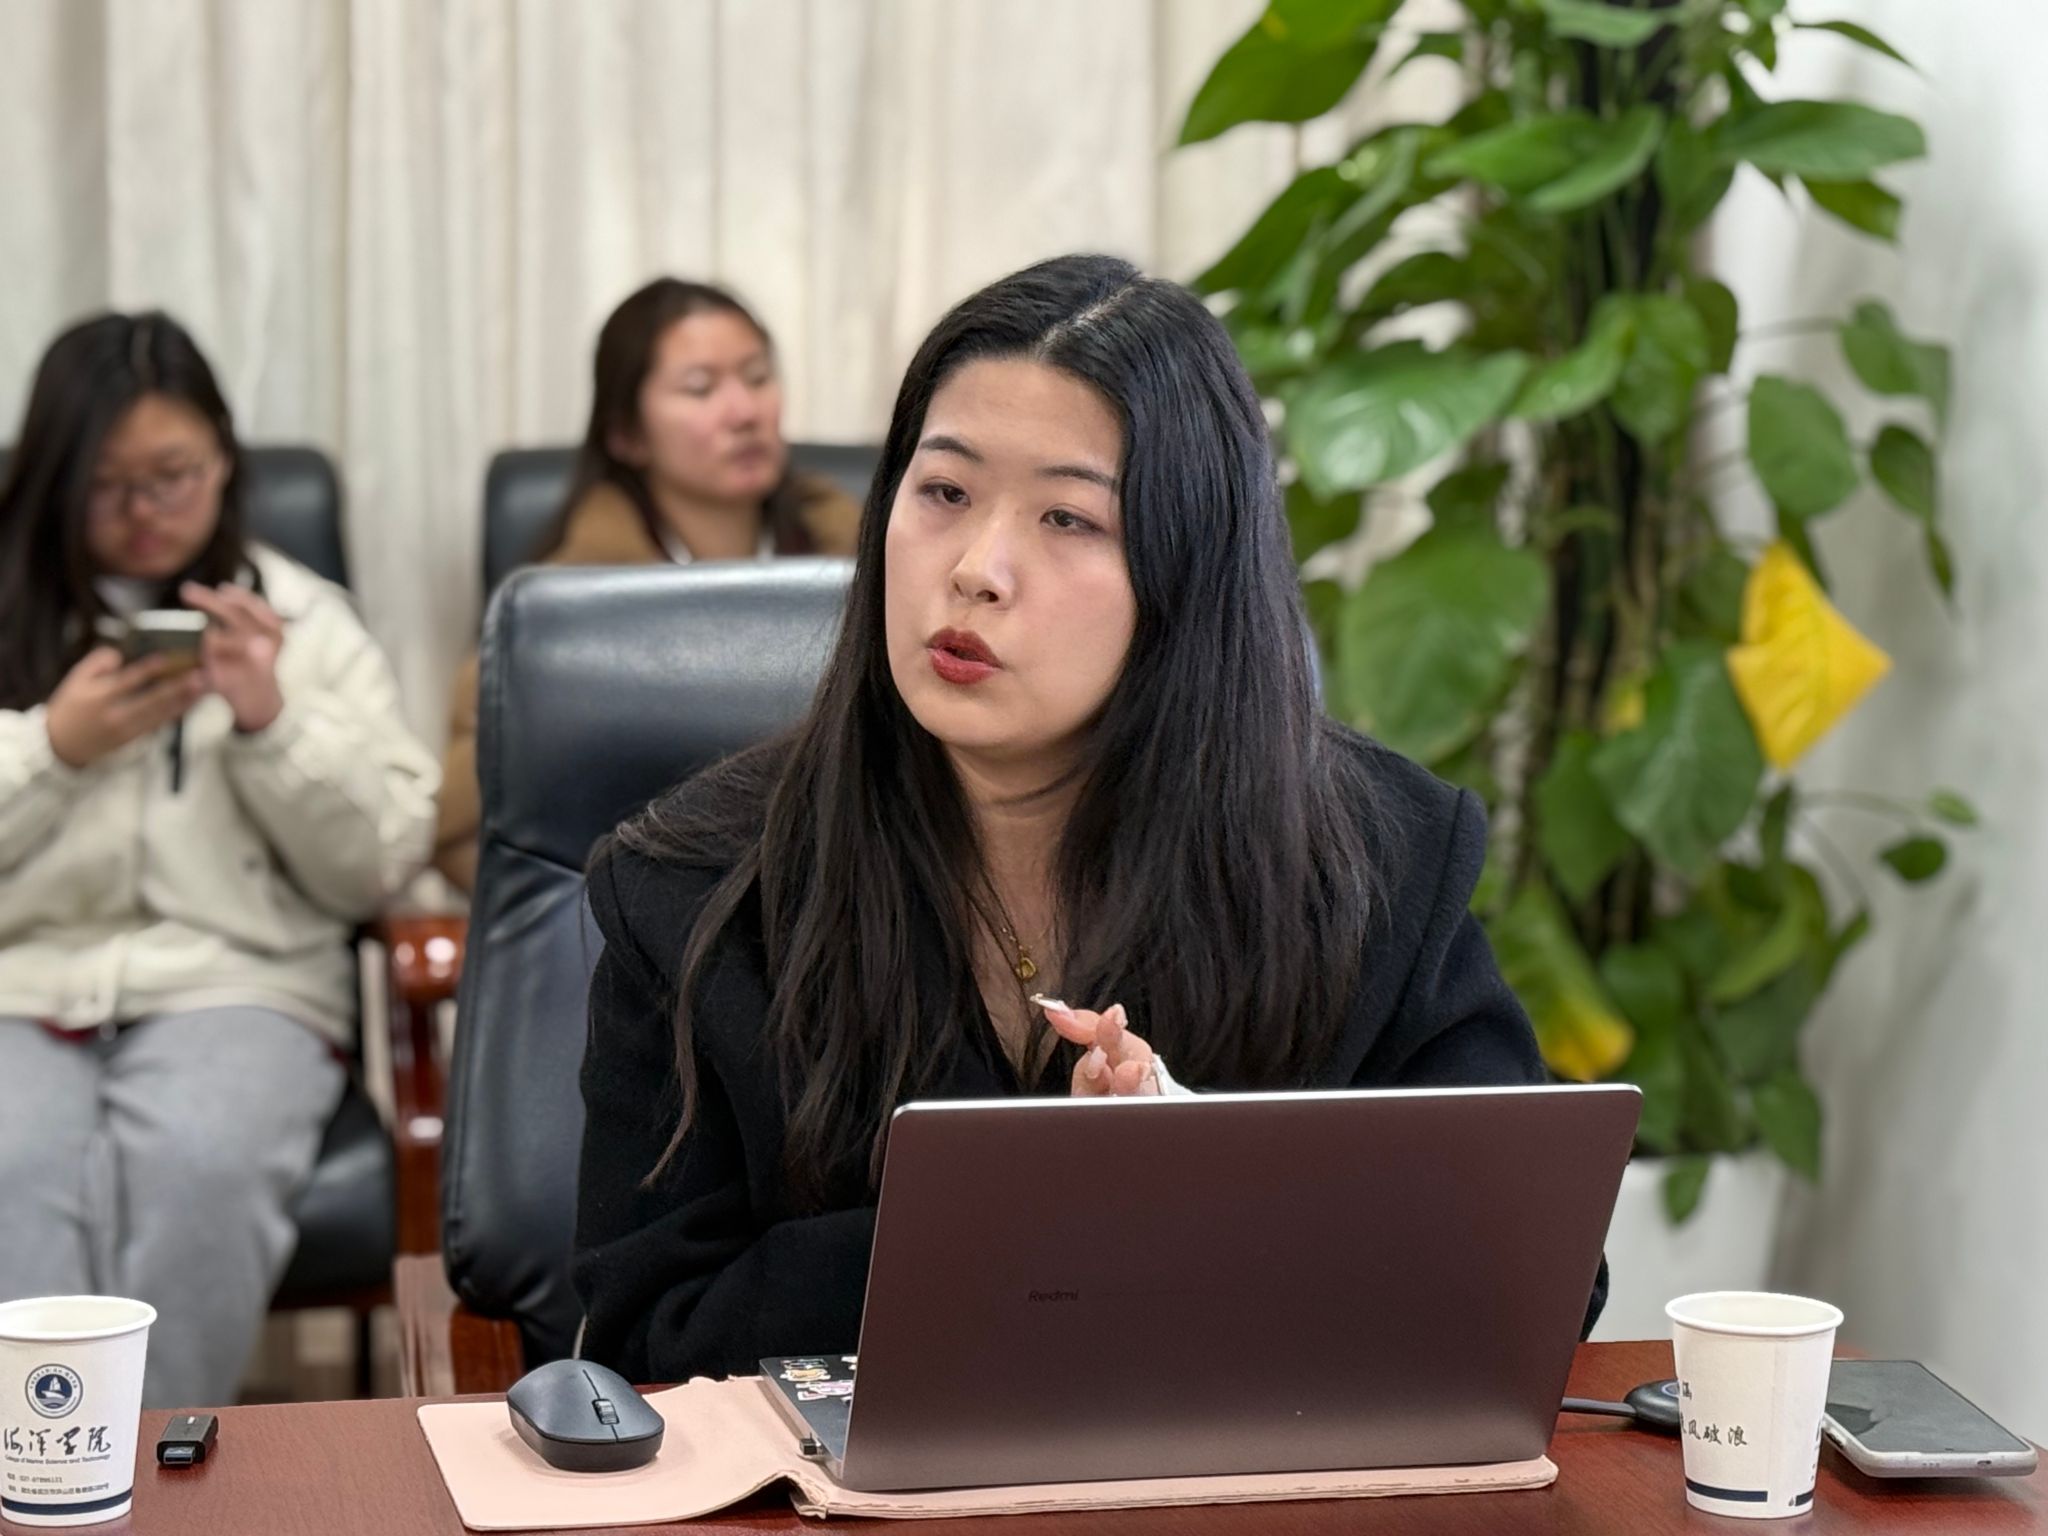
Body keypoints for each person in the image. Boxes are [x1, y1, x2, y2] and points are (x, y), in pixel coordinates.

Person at [573, 255, 1602, 1385]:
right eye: (944, 492)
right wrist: (1028, 1220)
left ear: (1186, 574)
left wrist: (1193, 1185)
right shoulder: (697, 886)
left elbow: (1530, 1267)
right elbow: (642, 1332)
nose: (976, 570)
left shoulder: (1374, 857)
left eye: (1068, 516)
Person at [0, 312, 438, 1409]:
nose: (145, 512)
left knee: (199, 1160)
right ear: (52, 478)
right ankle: (40, 1474)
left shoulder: (303, 620)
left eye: (174, 475)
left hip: (240, 986)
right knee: (15, 1164)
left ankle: (148, 1468)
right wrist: (53, 749)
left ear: (225, 463)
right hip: (18, 984)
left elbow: (382, 859)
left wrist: (272, 723)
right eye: (109, 485)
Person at [431, 278, 862, 890]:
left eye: (757, 377)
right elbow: (463, 835)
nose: (745, 412)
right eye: (701, 389)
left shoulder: (862, 560)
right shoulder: (568, 612)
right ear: (626, 435)